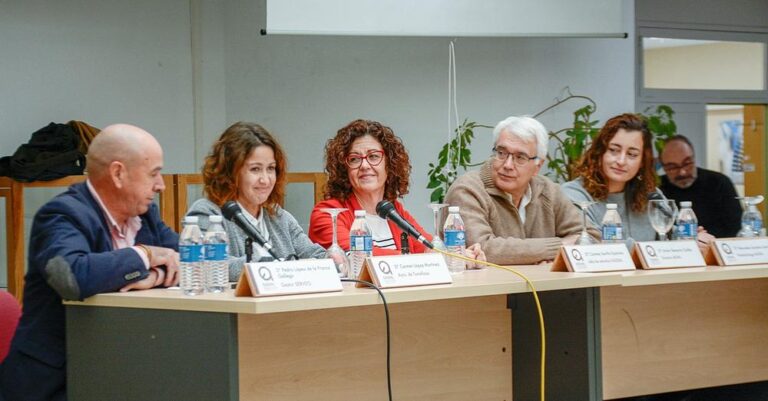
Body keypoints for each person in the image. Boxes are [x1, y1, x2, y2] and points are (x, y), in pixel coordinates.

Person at [0, 124, 180, 401]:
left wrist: (153, 277)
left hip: (121, 369)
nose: (161, 185)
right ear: (118, 173)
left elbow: (189, 262)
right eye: (153, 173)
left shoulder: (145, 215)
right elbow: (71, 278)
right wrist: (145, 255)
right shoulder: (61, 215)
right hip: (56, 383)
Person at [309, 119, 484, 262]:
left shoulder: (393, 211)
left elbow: (428, 247)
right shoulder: (327, 214)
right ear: (344, 169)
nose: (364, 165)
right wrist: (422, 259)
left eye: (373, 156)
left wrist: (462, 257)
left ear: (389, 164)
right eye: (354, 159)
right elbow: (357, 256)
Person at [445, 115, 593, 265]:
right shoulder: (467, 189)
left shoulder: (548, 190)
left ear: (538, 166)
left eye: (520, 157)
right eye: (501, 153)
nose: (508, 164)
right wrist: (556, 248)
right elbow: (482, 249)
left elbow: (590, 236)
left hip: (545, 286)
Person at [186, 122, 325, 281]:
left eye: (271, 168)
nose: (265, 180)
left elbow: (316, 255)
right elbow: (211, 266)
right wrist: (271, 265)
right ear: (230, 172)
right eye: (255, 169)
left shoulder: (278, 215)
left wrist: (335, 259)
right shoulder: (207, 212)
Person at [561, 114, 714, 251]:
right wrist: (657, 249)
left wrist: (692, 239)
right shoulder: (573, 194)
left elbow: (670, 235)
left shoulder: (651, 195)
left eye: (632, 154)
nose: (621, 161)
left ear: (642, 162)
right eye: (614, 150)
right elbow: (594, 244)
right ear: (599, 153)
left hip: (648, 281)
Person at [659, 135, 742, 238]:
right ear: (663, 167)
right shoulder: (657, 189)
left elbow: (736, 227)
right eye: (673, 167)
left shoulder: (719, 182)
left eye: (687, 163)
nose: (682, 172)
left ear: (694, 158)